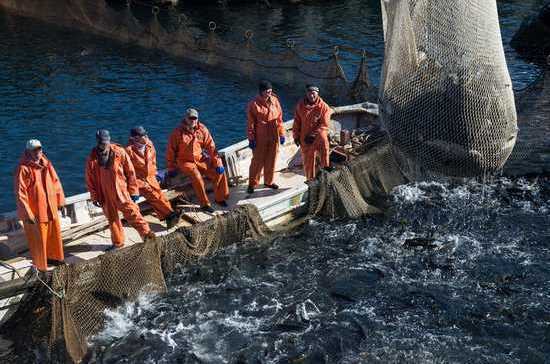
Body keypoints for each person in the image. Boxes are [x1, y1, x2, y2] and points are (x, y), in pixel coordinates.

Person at [85, 129, 154, 249]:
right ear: (97, 142)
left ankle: (148, 236)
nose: (104, 144)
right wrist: (94, 196)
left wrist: (133, 190)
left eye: (106, 142)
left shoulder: (119, 151)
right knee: (112, 219)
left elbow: (130, 172)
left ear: (109, 140)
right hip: (104, 193)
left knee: (133, 213)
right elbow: (89, 179)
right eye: (101, 142)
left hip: (120, 191)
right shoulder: (92, 157)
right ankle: (118, 243)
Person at [14, 139, 65, 272]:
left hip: (51, 208)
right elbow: (21, 193)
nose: (38, 152)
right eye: (34, 150)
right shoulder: (23, 168)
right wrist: (28, 214)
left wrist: (60, 201)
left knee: (54, 236)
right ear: (28, 152)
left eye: (39, 149)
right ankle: (42, 266)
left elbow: (56, 183)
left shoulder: (47, 164)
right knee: (39, 241)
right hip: (36, 213)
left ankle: (55, 258)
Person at [166, 108, 229, 213]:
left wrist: (218, 163)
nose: (193, 120)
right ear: (185, 118)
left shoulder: (202, 129)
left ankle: (220, 198)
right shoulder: (177, 133)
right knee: (197, 177)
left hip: (200, 158)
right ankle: (204, 204)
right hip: (185, 161)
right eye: (190, 118)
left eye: (195, 118)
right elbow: (170, 151)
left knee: (218, 172)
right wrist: (171, 167)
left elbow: (211, 147)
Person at [126, 126, 179, 229]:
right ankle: (171, 214)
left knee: (159, 194)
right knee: (152, 194)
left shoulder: (149, 144)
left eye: (146, 134)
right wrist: (134, 188)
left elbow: (153, 160)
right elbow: (128, 173)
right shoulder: (128, 151)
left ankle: (167, 217)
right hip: (138, 181)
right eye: (143, 135)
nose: (146, 137)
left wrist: (154, 173)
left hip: (151, 177)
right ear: (135, 138)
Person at [246, 80, 286, 194]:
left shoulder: (275, 100)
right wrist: (251, 138)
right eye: (267, 91)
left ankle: (269, 181)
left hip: (274, 136)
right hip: (260, 137)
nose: (270, 93)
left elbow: (279, 119)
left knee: (271, 159)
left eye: (271, 90)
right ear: (261, 91)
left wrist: (282, 133)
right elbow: (251, 124)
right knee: (257, 161)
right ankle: (252, 184)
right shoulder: (253, 104)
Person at [292, 84, 333, 181]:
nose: (311, 96)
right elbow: (296, 122)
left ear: (317, 94)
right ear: (306, 94)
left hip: (319, 137)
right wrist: (296, 136)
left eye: (313, 93)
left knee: (324, 154)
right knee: (308, 161)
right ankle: (310, 180)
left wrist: (314, 135)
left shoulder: (324, 107)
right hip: (305, 138)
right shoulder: (300, 106)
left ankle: (325, 177)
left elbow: (324, 125)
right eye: (309, 93)